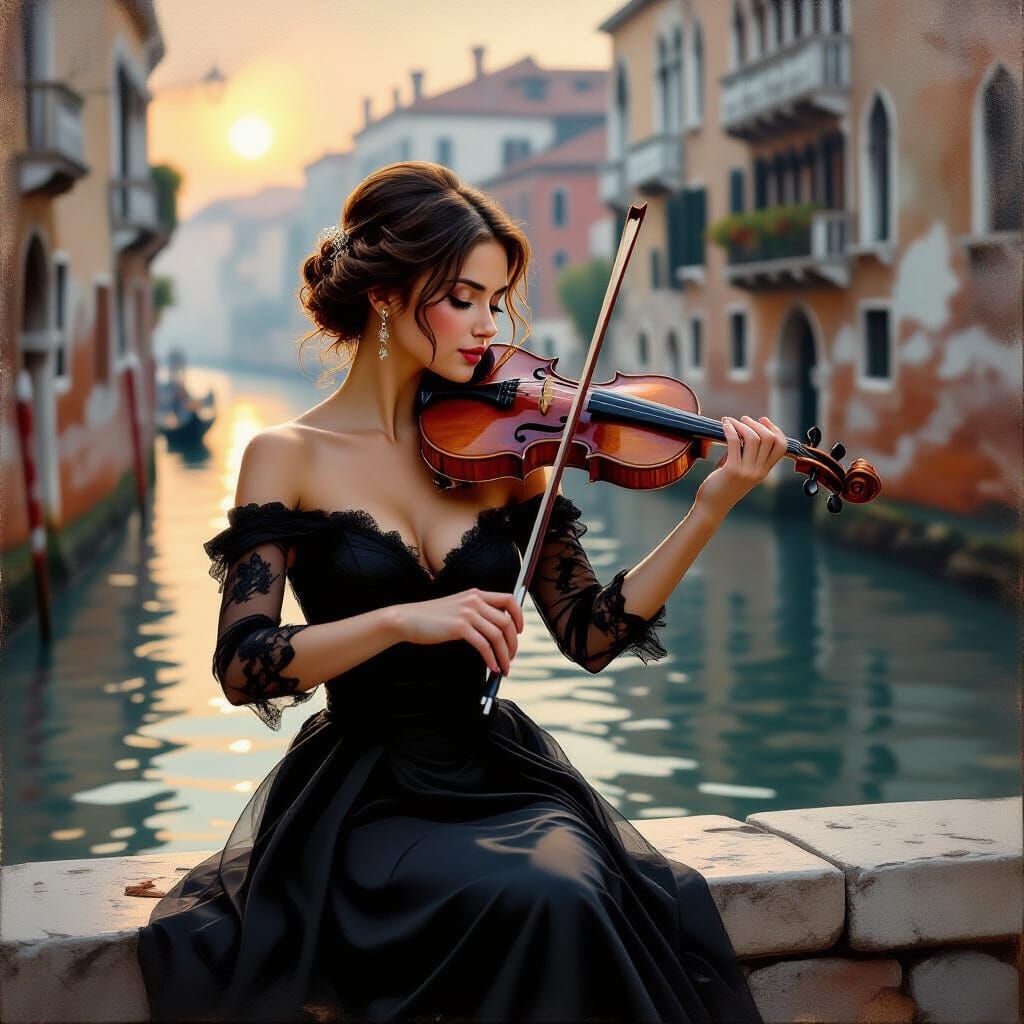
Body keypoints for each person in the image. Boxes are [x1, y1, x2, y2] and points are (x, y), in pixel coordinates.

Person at [136, 161, 783, 1023]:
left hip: (500, 776)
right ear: (387, 297)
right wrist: (403, 617)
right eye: (463, 298)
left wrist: (708, 509)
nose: (487, 327)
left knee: (569, 887)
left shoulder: (507, 453)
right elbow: (245, 668)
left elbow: (591, 637)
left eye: (496, 301)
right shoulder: (285, 455)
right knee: (541, 899)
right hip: (369, 795)